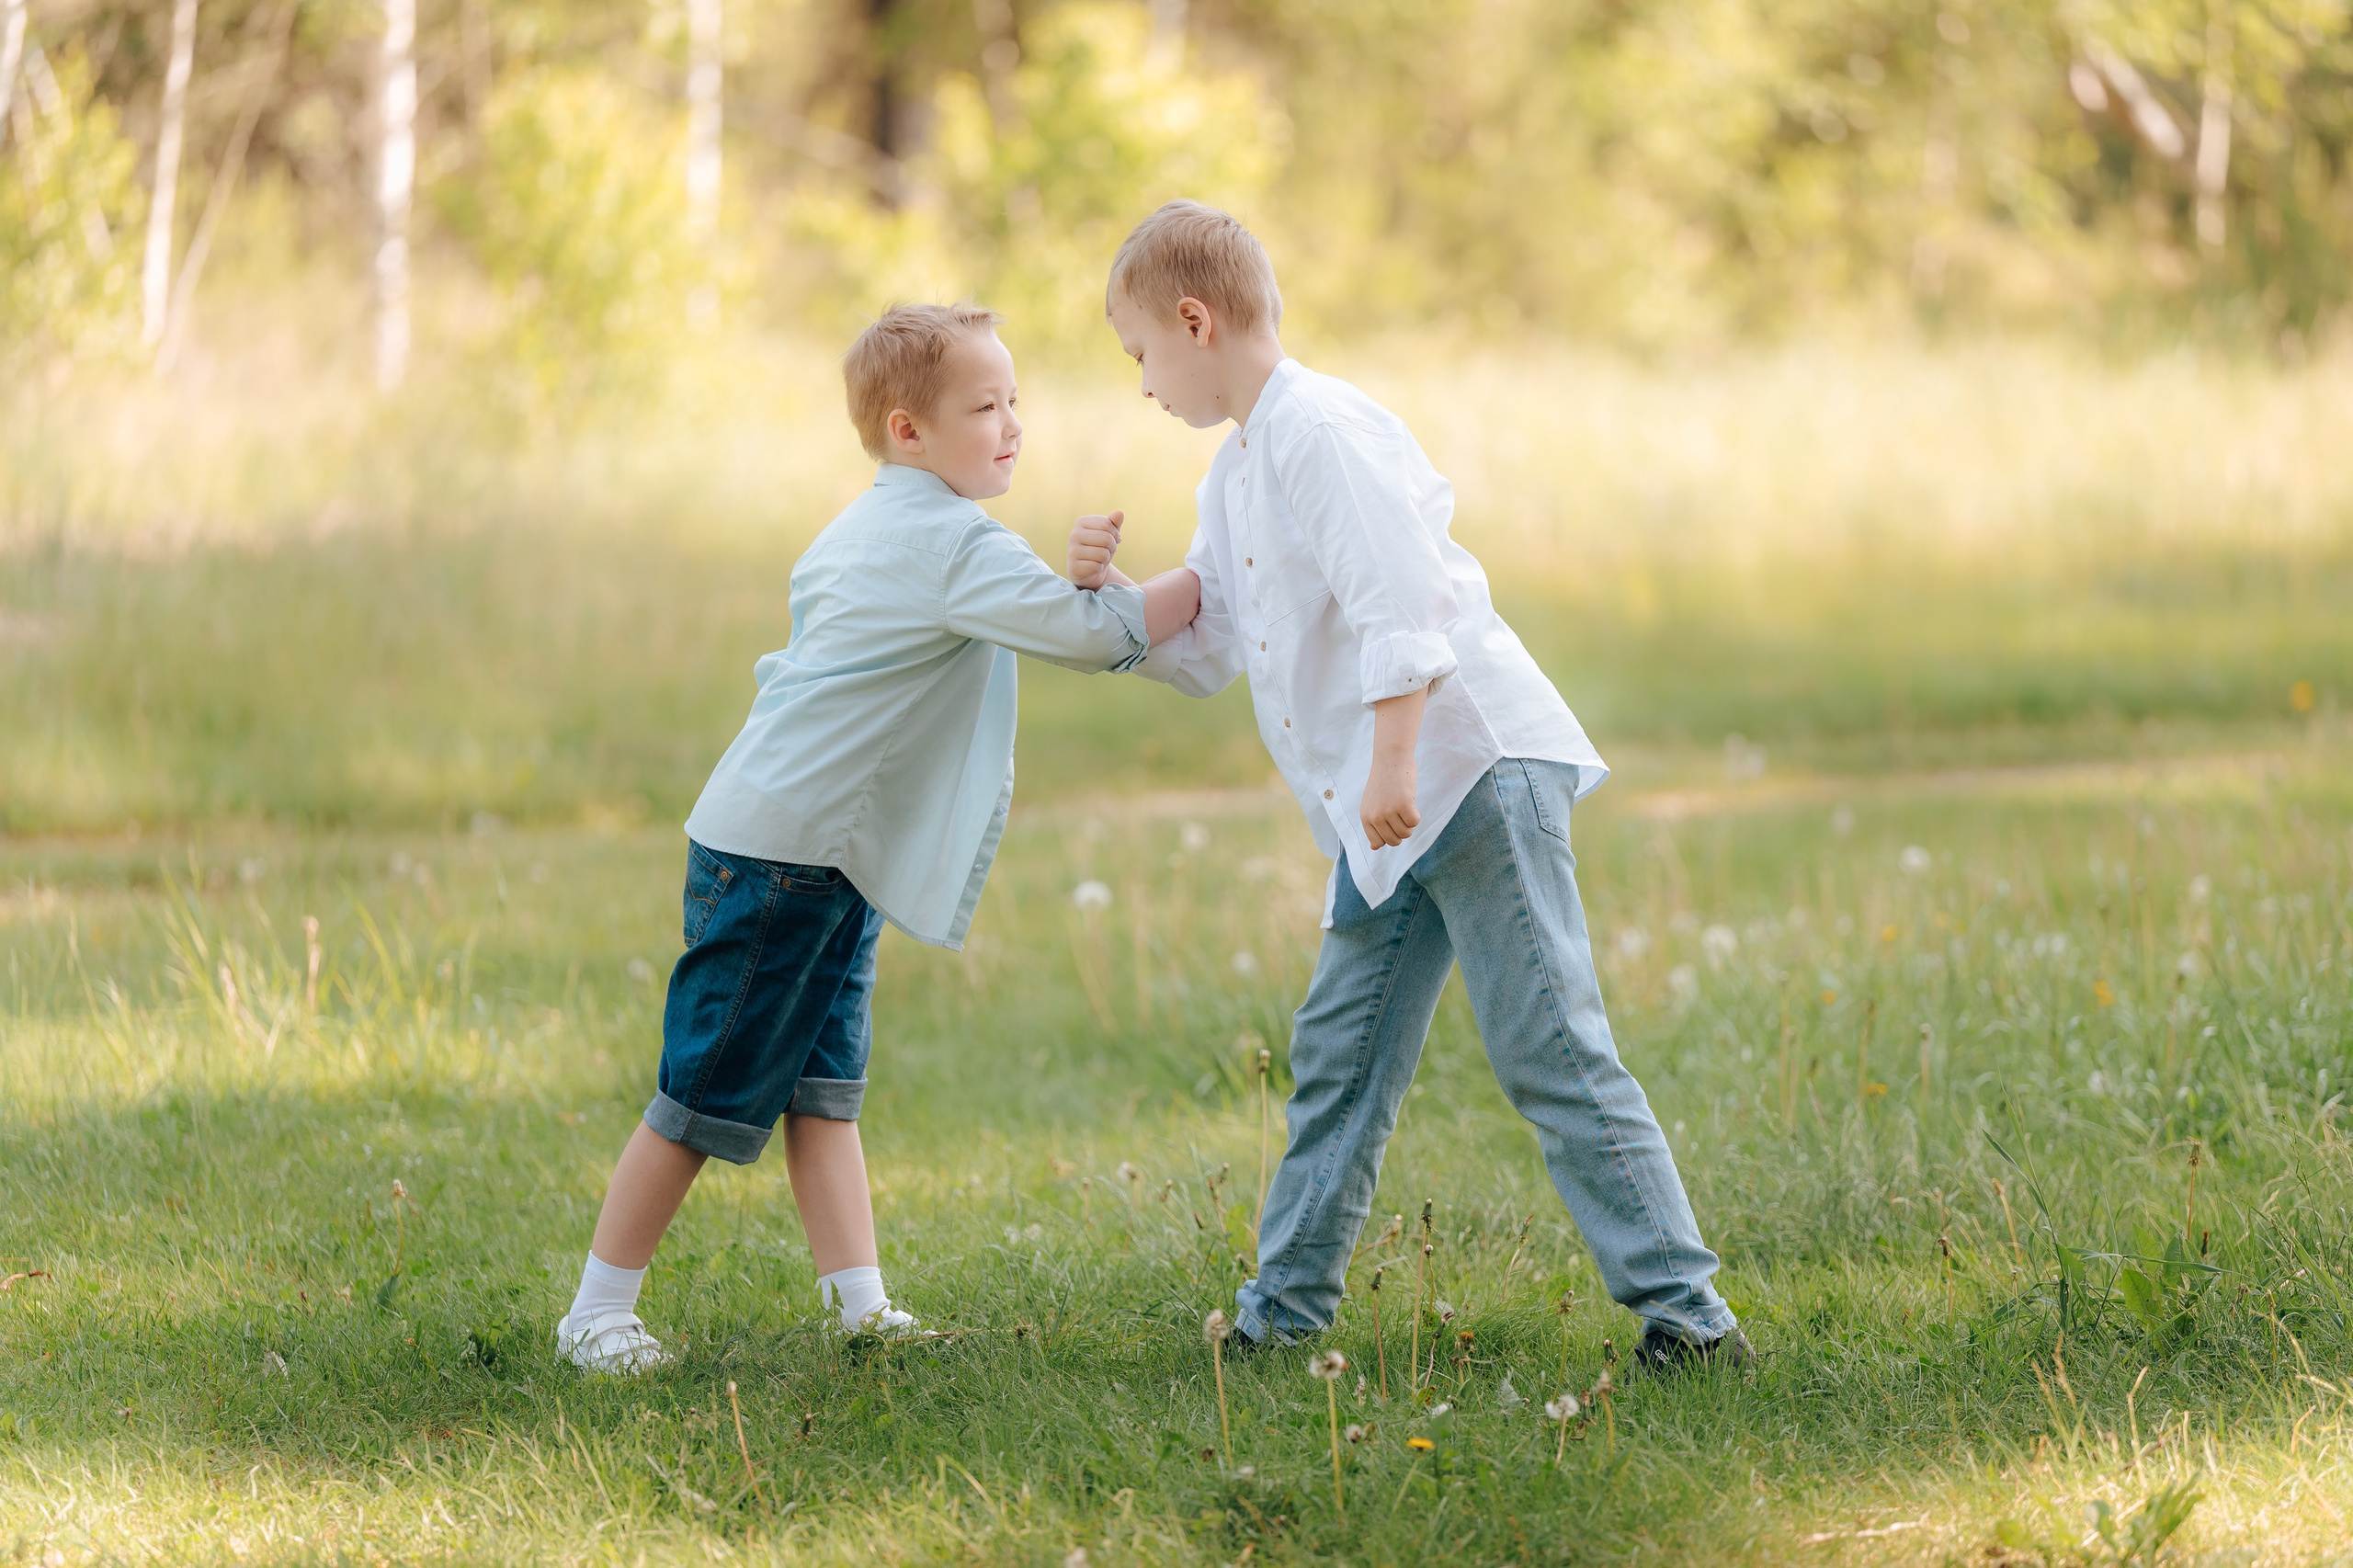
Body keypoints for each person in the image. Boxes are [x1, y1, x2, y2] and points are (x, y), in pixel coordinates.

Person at [1075, 202, 1749, 1371]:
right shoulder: (1236, 469)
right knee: (1340, 1056)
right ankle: (1279, 1317)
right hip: (1386, 813)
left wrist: (1393, 758)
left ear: (1195, 319)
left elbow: (1401, 598)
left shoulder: (1318, 428)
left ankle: (1691, 1316)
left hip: (1463, 773)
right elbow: (1215, 637)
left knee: (1550, 1046)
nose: (1140, 382)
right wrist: (1104, 599)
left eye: (1139, 352)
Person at [557, 301, 1201, 1373]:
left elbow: (1057, 607)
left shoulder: (869, 526)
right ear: (908, 430)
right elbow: (1089, 635)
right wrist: (1221, 580)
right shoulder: (948, 541)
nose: (1011, 426)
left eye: (1013, 403)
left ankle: (860, 1304)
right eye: (984, 406)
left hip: (812, 850)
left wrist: (1086, 577)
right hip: (788, 859)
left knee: (821, 1089)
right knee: (702, 1089)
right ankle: (595, 1311)